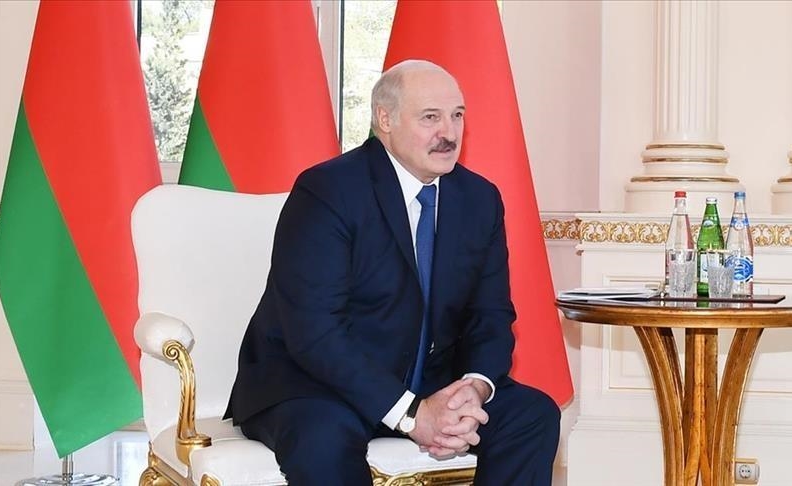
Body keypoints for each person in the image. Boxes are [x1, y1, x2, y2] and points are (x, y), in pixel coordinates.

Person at [226, 59, 560, 485]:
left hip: (431, 383)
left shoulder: (479, 198)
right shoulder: (328, 191)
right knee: (323, 442)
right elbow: (315, 333)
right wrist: (411, 414)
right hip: (318, 384)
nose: (449, 133)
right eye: (430, 117)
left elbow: (491, 316)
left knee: (532, 416)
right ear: (385, 120)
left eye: (457, 115)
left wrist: (472, 390)